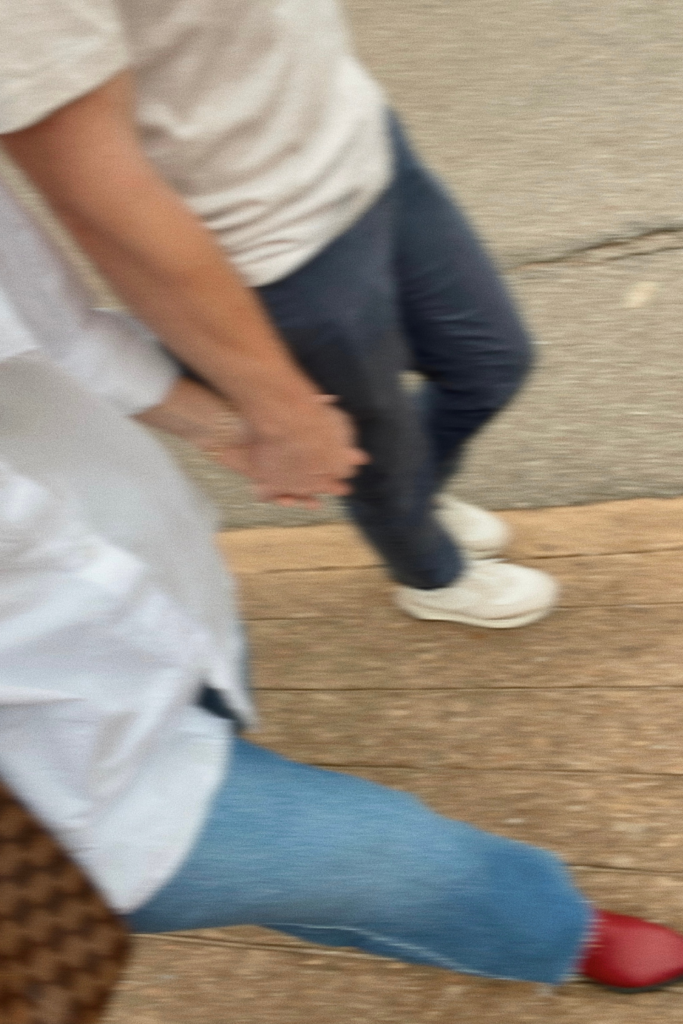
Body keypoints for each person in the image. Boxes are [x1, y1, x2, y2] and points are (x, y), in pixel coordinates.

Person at [0, 182, 683, 997]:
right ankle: (555, 931)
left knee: (267, 792)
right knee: (394, 859)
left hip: (150, 571)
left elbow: (58, 330)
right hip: (52, 789)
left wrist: (241, 426)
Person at [0, 0, 558, 629]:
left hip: (360, 137)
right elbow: (94, 192)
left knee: (491, 362)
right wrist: (274, 406)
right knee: (369, 452)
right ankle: (429, 571)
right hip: (268, 245)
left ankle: (413, 499)